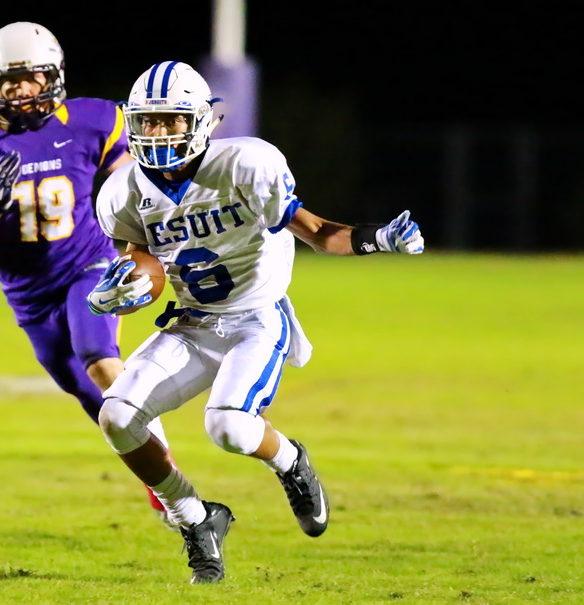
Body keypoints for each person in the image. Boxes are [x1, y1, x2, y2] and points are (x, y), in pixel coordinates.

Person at [86, 61, 425, 584]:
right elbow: (143, 270)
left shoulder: (246, 164)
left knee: (229, 428)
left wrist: (378, 238)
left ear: (201, 120)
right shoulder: (122, 190)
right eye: (149, 121)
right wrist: (120, 295)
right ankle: (194, 518)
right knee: (116, 416)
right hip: (191, 323)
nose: (158, 132)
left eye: (171, 120)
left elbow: (317, 232)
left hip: (255, 318)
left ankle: (290, 462)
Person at [0, 22, 176, 528]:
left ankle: (168, 481)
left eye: (31, 77)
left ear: (53, 76)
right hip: (28, 290)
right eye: (8, 80)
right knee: (86, 392)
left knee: (98, 356)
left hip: (90, 262)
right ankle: (160, 474)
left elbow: (135, 190)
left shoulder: (93, 121)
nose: (20, 89)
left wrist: (148, 245)